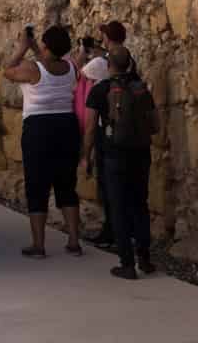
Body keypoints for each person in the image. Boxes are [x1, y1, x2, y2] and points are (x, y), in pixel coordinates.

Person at [2, 23, 83, 257]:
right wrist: (37, 46)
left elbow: (8, 71)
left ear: (46, 46)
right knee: (67, 184)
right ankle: (74, 242)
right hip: (67, 126)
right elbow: (49, 61)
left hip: (39, 128)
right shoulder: (71, 67)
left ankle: (38, 245)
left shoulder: (31, 68)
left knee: (37, 185)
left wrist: (22, 47)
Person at [83, 45, 159, 279]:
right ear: (130, 63)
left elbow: (89, 128)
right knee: (140, 204)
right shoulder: (141, 89)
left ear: (108, 66)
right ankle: (145, 258)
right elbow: (155, 124)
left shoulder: (101, 90)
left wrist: (87, 156)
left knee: (118, 208)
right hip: (141, 153)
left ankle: (127, 263)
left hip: (113, 156)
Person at [74, 21, 127, 246]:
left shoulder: (97, 64)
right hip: (126, 129)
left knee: (107, 186)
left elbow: (76, 74)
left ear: (106, 37)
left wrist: (81, 53)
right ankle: (129, 232)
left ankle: (112, 233)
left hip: (105, 130)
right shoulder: (128, 58)